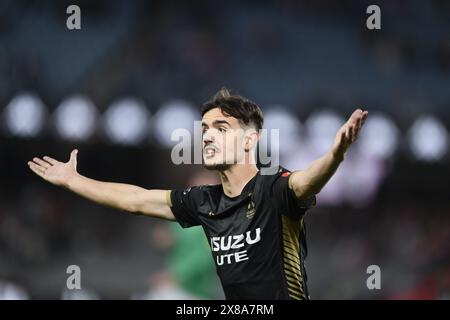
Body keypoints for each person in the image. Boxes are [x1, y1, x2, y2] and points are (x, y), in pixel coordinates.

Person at [27, 87, 368, 300]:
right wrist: (74, 181)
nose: (207, 136)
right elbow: (135, 200)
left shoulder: (274, 189)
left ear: (250, 141)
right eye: (204, 129)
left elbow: (306, 181)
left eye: (221, 128)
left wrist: (336, 155)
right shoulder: (203, 201)